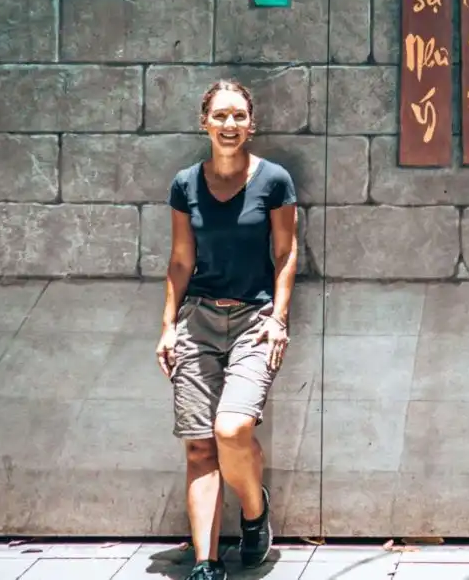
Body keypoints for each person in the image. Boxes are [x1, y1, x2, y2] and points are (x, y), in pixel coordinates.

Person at [155, 79, 299, 580]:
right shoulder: (185, 185)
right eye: (220, 116)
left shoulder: (274, 181)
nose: (230, 124)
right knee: (198, 444)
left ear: (251, 124)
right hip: (197, 319)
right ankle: (206, 561)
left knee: (231, 428)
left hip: (253, 321)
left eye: (238, 116)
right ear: (205, 123)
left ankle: (254, 514)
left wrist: (279, 319)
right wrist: (168, 327)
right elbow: (179, 261)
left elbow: (285, 253)